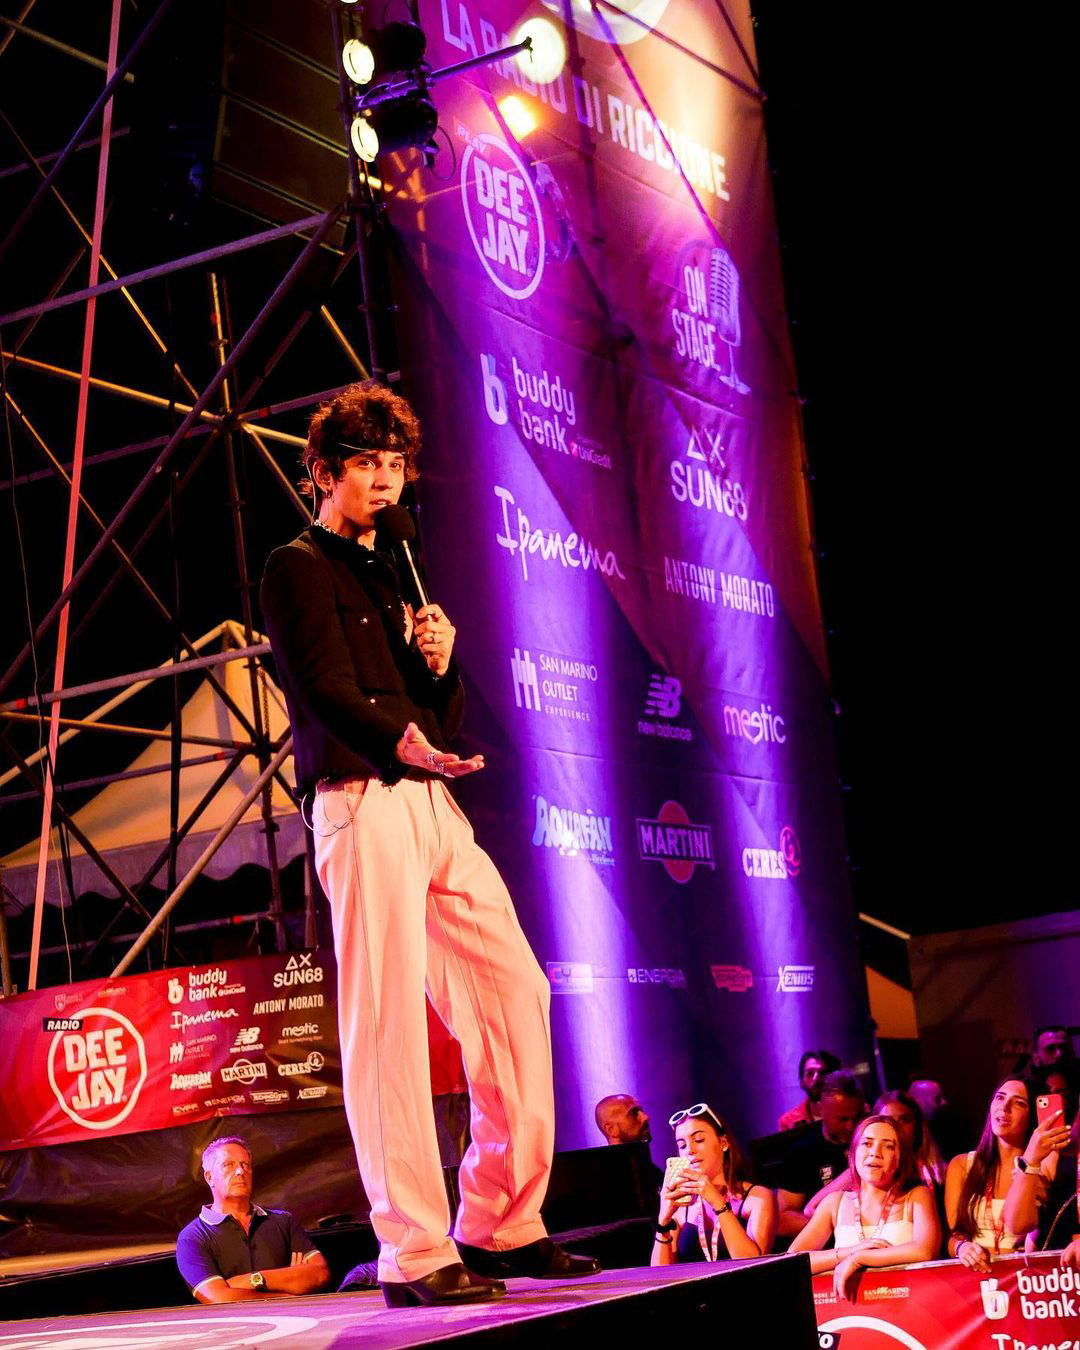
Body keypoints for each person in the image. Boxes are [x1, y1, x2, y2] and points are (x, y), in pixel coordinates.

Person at [260, 383, 599, 1308]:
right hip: (360, 798)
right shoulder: (297, 567)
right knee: (388, 1029)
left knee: (514, 990)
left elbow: (438, 718)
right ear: (323, 473)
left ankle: (500, 1220)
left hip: (429, 798)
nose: (383, 480)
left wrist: (441, 670)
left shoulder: (397, 566)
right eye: (364, 464)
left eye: (394, 464)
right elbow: (321, 689)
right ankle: (413, 1251)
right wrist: (401, 739)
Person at [789, 1115, 940, 1299]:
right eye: (867, 1144)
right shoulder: (835, 1203)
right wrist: (851, 1251)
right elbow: (793, 1260)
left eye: (888, 1146)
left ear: (901, 1159)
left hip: (909, 1305)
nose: (875, 1152)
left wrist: (858, 1258)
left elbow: (925, 1250)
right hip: (851, 1309)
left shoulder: (916, 1196)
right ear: (853, 1154)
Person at [175, 1137, 331, 1303]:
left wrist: (253, 1279)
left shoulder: (283, 1221)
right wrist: (289, 1289)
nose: (240, 1171)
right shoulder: (192, 1237)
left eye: (245, 1165)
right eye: (228, 1165)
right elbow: (219, 1299)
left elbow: (320, 1274)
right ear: (209, 1177)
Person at [651, 1103, 776, 1265]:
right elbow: (659, 1274)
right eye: (682, 1145)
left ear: (723, 1143)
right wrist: (663, 1221)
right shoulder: (681, 1205)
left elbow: (754, 1264)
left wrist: (717, 1202)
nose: (689, 1150)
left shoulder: (757, 1197)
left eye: (699, 1140)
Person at [945, 1077, 1042, 1269]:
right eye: (1000, 1097)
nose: (1004, 1107)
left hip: (1023, 1277)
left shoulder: (1039, 1169)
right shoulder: (962, 1165)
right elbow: (953, 1236)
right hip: (975, 1275)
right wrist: (961, 1247)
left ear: (1032, 1115)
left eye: (1018, 1103)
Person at [777, 1070, 864, 1236]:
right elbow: (782, 1219)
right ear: (821, 1109)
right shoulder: (803, 1152)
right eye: (842, 1119)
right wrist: (834, 1225)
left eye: (857, 1117)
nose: (851, 1126)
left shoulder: (872, 1142)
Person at [778, 1050, 841, 1131]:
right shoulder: (788, 1122)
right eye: (810, 1073)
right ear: (802, 1081)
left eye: (823, 1073)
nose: (816, 1079)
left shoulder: (850, 1111)